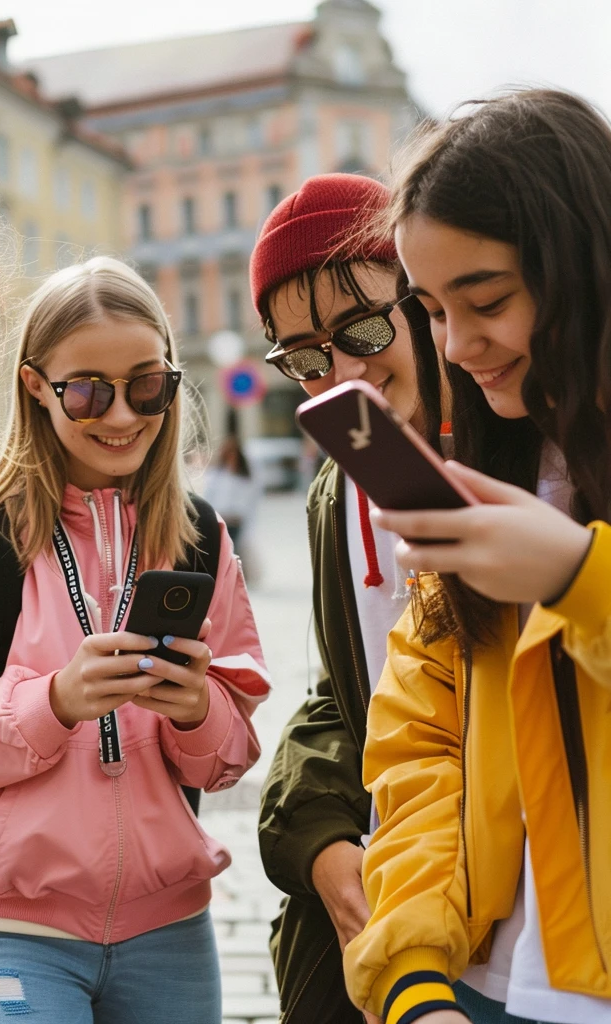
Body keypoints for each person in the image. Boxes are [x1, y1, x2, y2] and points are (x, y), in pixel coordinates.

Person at [0, 257, 271, 1023]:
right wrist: (52, 703)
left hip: (174, 932)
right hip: (17, 931)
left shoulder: (201, 540)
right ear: (34, 386)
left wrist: (197, 712)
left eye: (147, 387)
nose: (121, 416)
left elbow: (231, 757)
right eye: (87, 390)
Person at [343, 89, 611, 1024]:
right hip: (489, 995)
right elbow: (421, 749)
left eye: (487, 299)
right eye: (431, 309)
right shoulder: (487, 472)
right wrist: (415, 981)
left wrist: (579, 580)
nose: (459, 344)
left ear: (583, 266)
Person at [252, 173, 437, 1024]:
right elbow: (346, 693)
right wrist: (321, 847)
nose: (344, 371)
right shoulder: (339, 487)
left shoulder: (527, 456)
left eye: (362, 327)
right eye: (305, 357)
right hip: (383, 901)